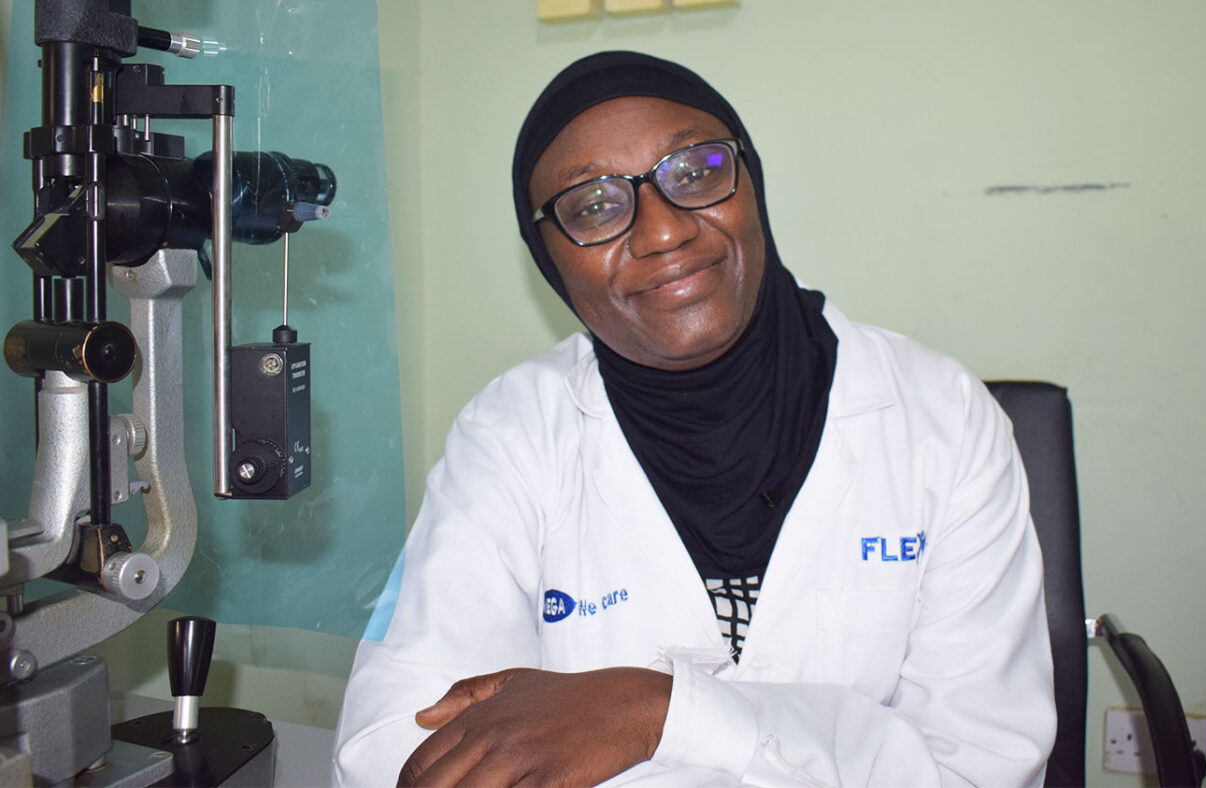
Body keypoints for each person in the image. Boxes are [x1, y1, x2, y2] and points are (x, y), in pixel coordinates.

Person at [332, 51, 1055, 787]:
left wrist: (656, 712)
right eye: (593, 205)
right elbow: (396, 749)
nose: (663, 233)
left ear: (751, 182)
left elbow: (983, 767)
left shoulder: (941, 417)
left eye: (695, 170)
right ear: (546, 255)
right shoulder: (510, 435)